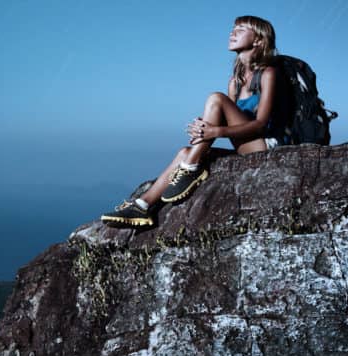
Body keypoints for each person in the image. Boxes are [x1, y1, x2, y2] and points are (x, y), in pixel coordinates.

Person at [101, 15, 287, 229]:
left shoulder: (268, 73)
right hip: (245, 145)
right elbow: (232, 124)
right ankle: (142, 206)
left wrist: (215, 130)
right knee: (184, 152)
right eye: (233, 28)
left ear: (258, 40)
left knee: (215, 99)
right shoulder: (235, 82)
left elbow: (261, 124)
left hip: (265, 146)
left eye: (241, 29)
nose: (232, 33)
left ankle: (190, 169)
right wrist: (206, 127)